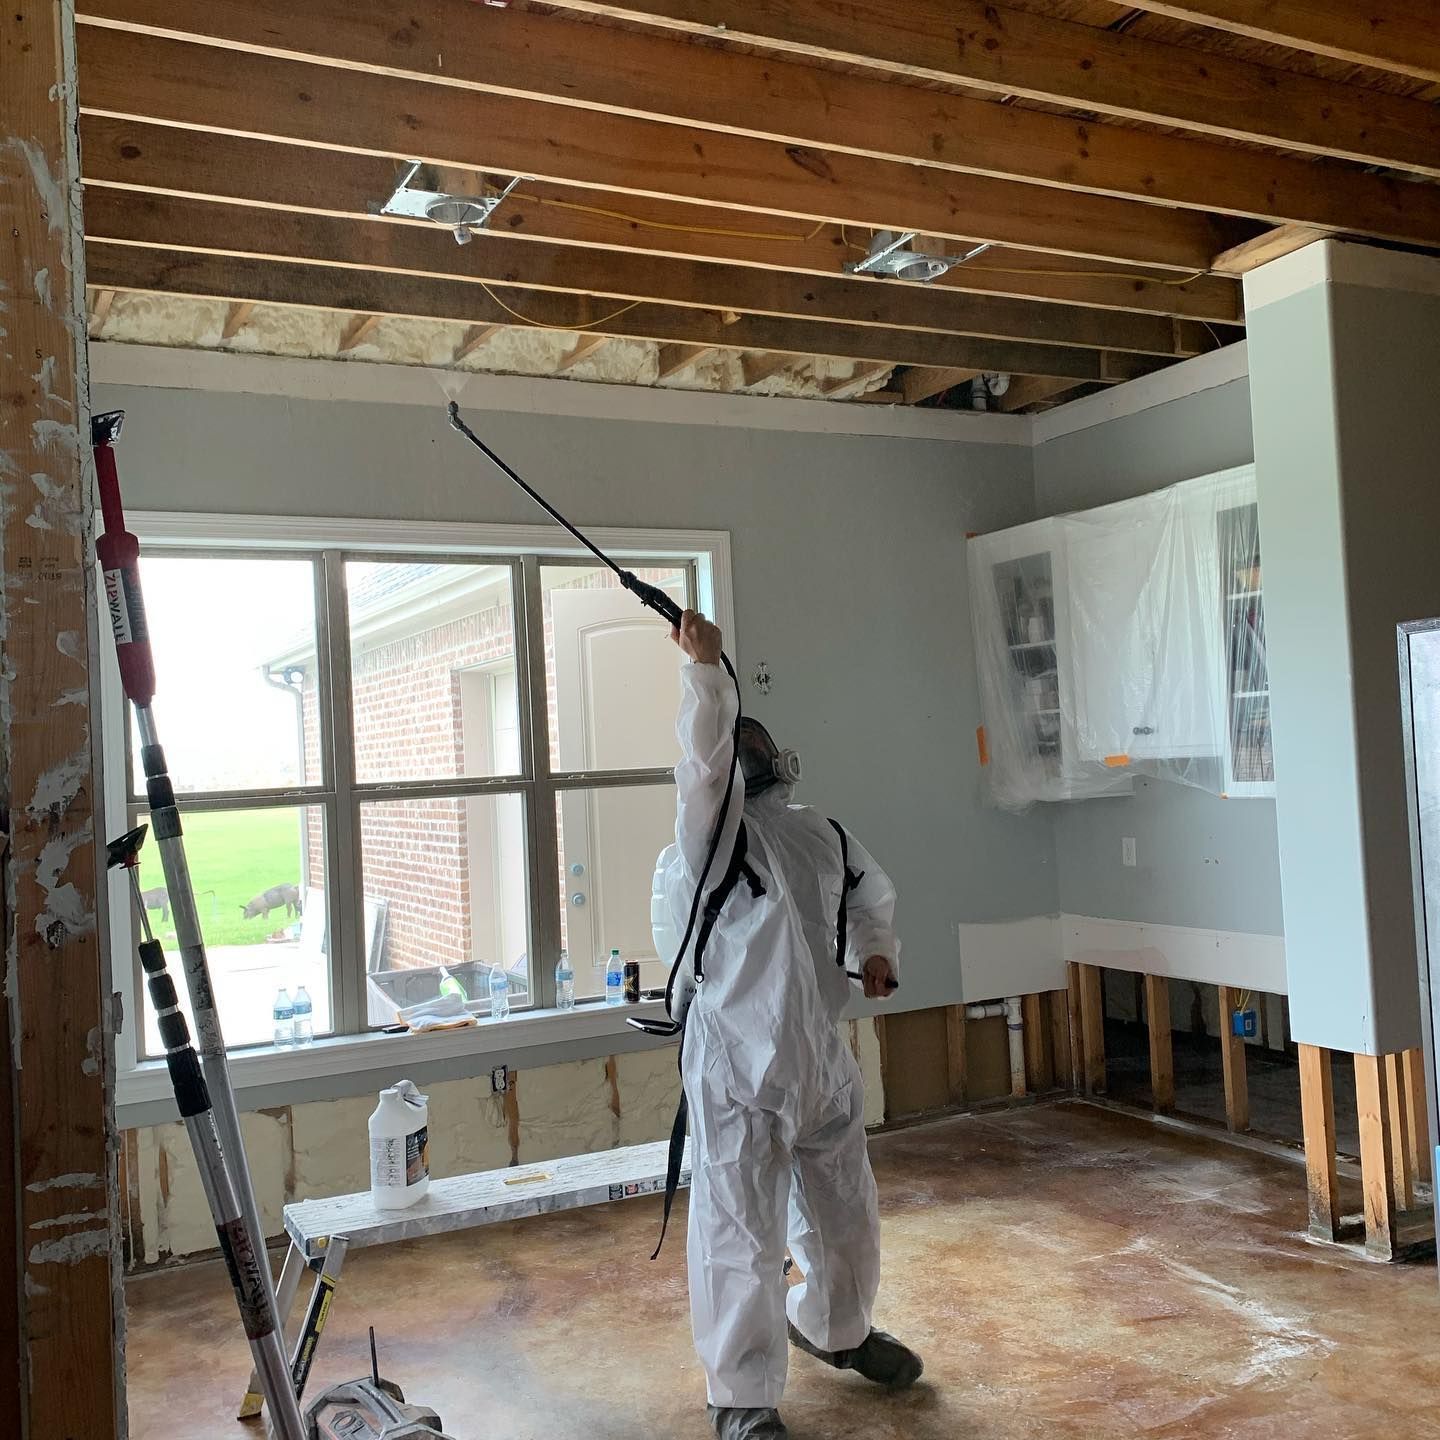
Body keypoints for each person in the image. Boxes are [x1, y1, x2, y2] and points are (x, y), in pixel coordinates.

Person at [655, 610, 923, 1440]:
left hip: (820, 1059)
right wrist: (707, 676)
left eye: (756, 737)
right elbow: (703, 772)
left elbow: (869, 892)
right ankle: (740, 1396)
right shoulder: (707, 846)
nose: (750, 748)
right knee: (741, 1231)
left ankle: (838, 1330)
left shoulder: (817, 832)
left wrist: (874, 952)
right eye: (740, 737)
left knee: (846, 1212)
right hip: (738, 1066)